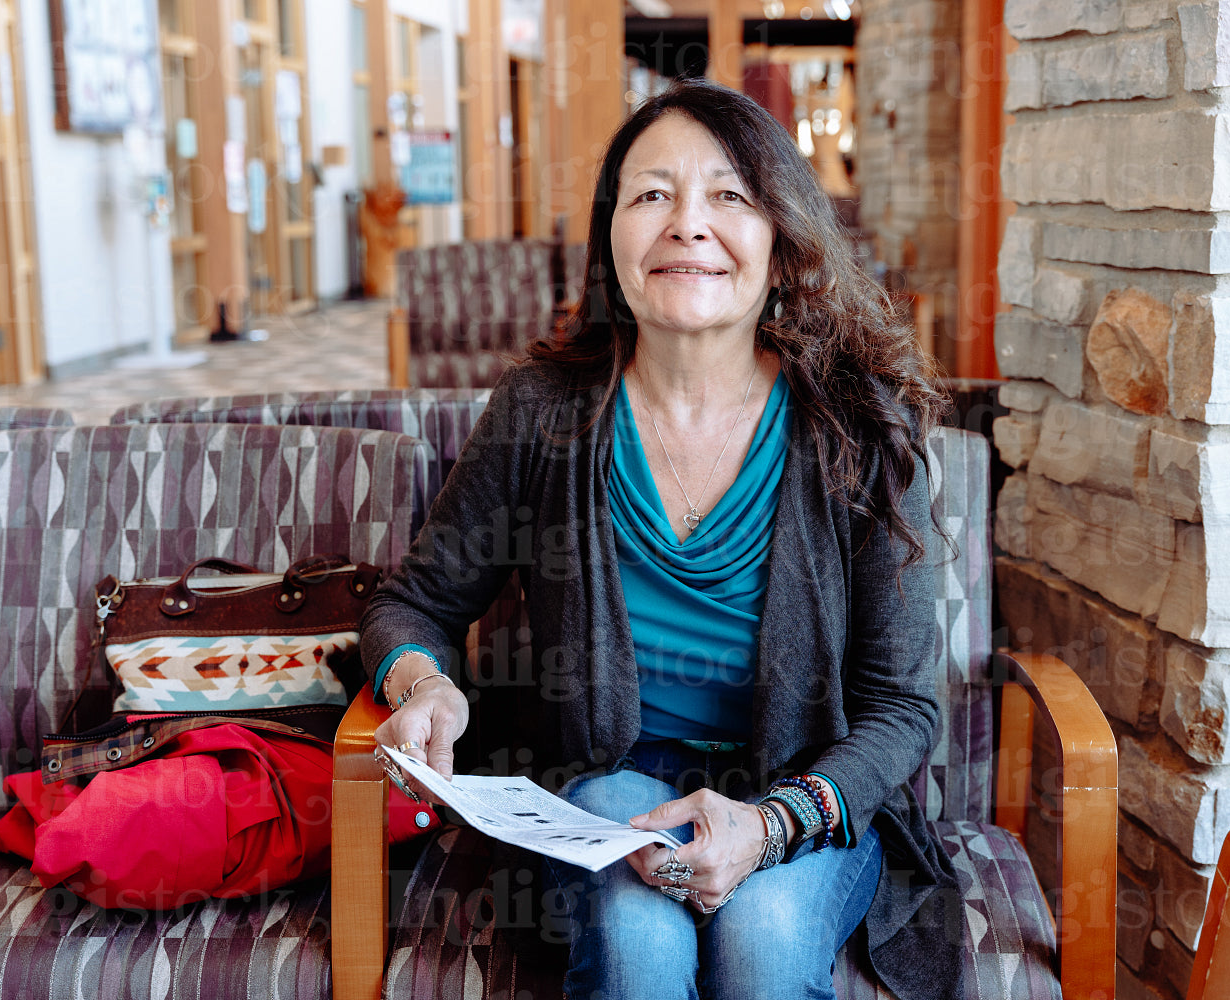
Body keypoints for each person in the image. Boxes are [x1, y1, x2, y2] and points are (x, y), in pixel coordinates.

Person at [360, 78, 961, 1000]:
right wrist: (424, 682)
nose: (688, 225)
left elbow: (903, 706)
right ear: (612, 234)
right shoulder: (545, 413)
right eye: (652, 195)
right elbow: (418, 604)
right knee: (639, 950)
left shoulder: (857, 427)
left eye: (730, 196)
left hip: (799, 798)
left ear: (780, 236)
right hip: (607, 792)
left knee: (760, 944)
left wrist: (771, 825)